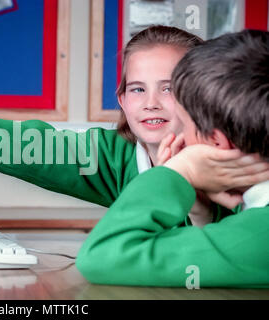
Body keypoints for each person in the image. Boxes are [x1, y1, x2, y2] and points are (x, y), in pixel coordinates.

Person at [0, 26, 266, 222]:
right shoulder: (114, 157)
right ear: (121, 99)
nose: (150, 103)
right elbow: (19, 142)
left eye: (169, 88)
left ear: (201, 94)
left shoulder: (240, 164)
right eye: (137, 89)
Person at [76, 29, 269, 288]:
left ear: (216, 141)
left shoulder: (258, 237)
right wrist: (201, 212)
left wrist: (180, 171)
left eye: (185, 125)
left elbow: (103, 257)